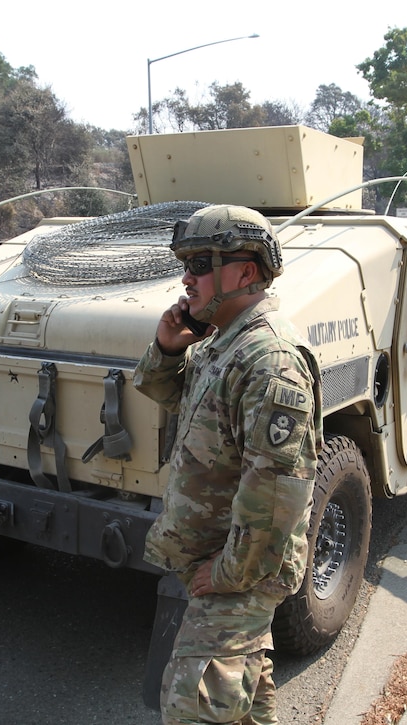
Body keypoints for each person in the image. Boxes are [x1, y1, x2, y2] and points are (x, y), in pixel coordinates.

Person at [134, 204, 322, 724]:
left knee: (193, 706)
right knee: (243, 700)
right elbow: (178, 398)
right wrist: (168, 348)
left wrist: (228, 573)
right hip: (223, 559)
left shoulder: (270, 359)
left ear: (245, 272)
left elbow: (279, 490)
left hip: (241, 569)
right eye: (185, 263)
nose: (187, 277)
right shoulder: (225, 342)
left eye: (200, 263)